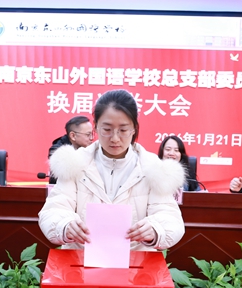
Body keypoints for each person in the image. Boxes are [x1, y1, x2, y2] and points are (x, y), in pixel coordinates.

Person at [39, 89, 185, 251]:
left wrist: (156, 229)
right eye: (107, 130)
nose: (115, 138)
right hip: (80, 258)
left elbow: (170, 217)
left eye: (123, 130)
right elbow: (54, 209)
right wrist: (65, 225)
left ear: (134, 128)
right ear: (96, 127)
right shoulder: (75, 163)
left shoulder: (153, 168)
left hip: (136, 260)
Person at [46, 116, 94, 183]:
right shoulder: (58, 151)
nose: (92, 138)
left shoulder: (91, 149)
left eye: (92, 134)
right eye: (88, 135)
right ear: (73, 136)